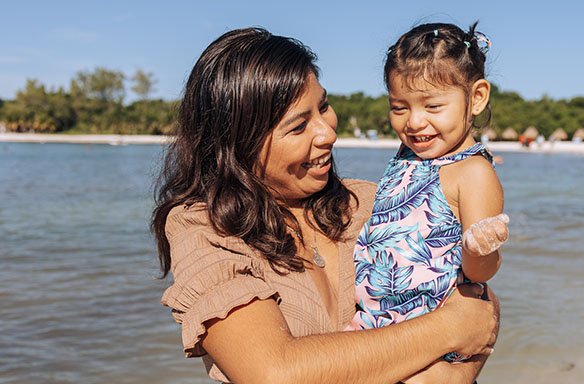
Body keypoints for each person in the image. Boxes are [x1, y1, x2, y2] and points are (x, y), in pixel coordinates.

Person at [150, 28, 498, 383]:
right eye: (299, 126)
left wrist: (456, 372)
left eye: (324, 106)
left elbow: (476, 302)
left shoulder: (365, 201)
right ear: (239, 144)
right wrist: (446, 329)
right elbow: (273, 373)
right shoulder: (207, 228)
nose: (328, 132)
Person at [345, 22, 507, 381]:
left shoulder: (472, 172)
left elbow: (481, 273)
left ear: (477, 97)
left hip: (435, 347)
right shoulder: (408, 156)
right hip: (379, 329)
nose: (415, 122)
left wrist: (479, 246)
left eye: (433, 105)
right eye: (399, 107)